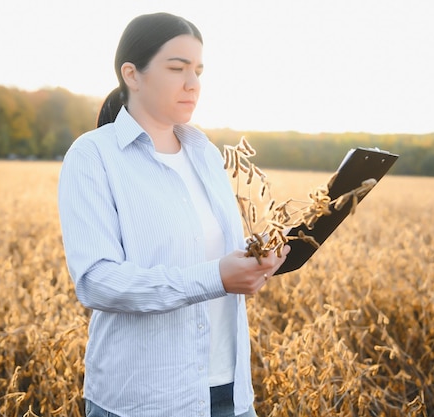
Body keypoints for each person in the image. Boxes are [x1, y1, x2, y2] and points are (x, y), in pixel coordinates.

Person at [58, 12, 290, 417]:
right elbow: (97, 282)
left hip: (228, 394)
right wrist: (216, 277)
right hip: (143, 400)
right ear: (132, 74)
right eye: (177, 68)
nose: (193, 83)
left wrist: (261, 261)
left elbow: (224, 256)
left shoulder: (205, 154)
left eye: (198, 70)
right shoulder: (93, 156)